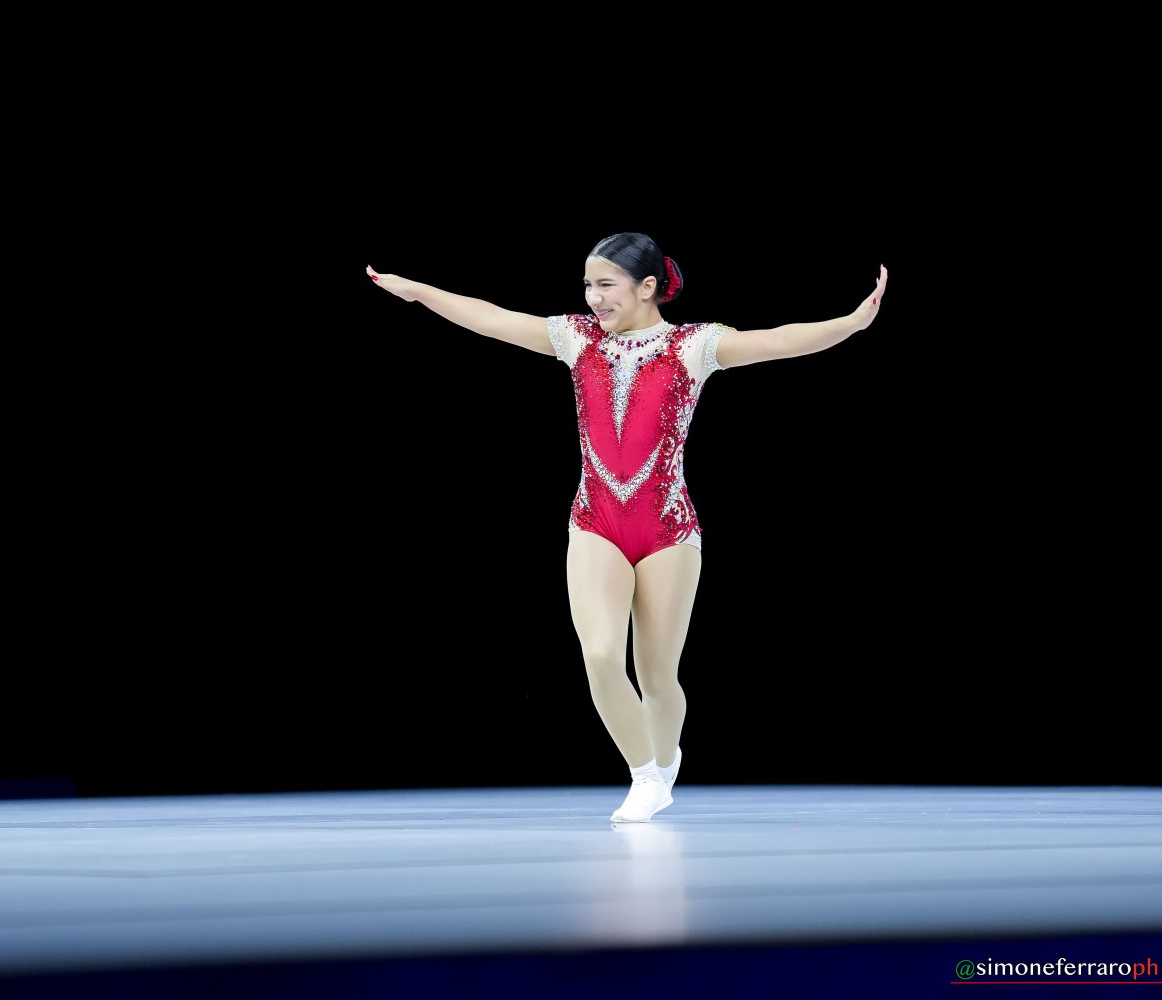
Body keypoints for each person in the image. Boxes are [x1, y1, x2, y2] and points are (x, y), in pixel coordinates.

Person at [366, 234, 887, 823]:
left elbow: (780, 340)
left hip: (669, 529)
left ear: (647, 287)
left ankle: (665, 762)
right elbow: (492, 318)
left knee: (658, 679)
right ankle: (645, 776)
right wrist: (419, 291)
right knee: (600, 654)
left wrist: (852, 323)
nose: (593, 298)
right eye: (588, 285)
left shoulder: (695, 345)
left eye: (605, 285)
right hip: (596, 521)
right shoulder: (576, 339)